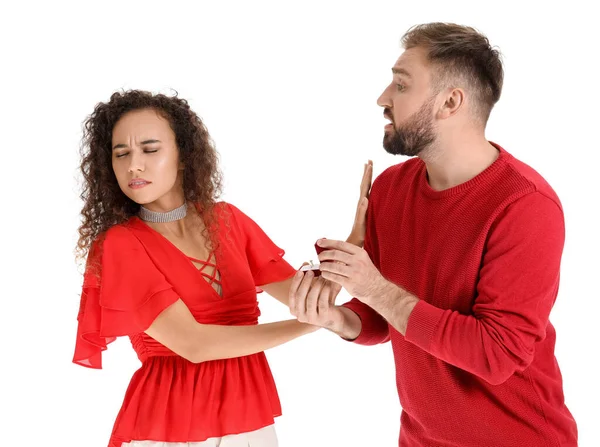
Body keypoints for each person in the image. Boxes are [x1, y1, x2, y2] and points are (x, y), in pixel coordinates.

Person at [289, 22, 578, 447]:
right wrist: (337, 318)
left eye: (401, 85)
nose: (383, 99)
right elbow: (386, 317)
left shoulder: (525, 205)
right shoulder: (390, 189)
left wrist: (376, 289)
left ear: (450, 102)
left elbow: (496, 354)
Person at [72, 89, 372, 447]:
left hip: (249, 415)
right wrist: (309, 325)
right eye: (121, 154)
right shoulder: (119, 245)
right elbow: (195, 344)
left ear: (184, 155)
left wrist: (357, 238)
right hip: (169, 426)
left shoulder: (228, 220)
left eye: (150, 149)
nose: (133, 164)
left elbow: (308, 298)